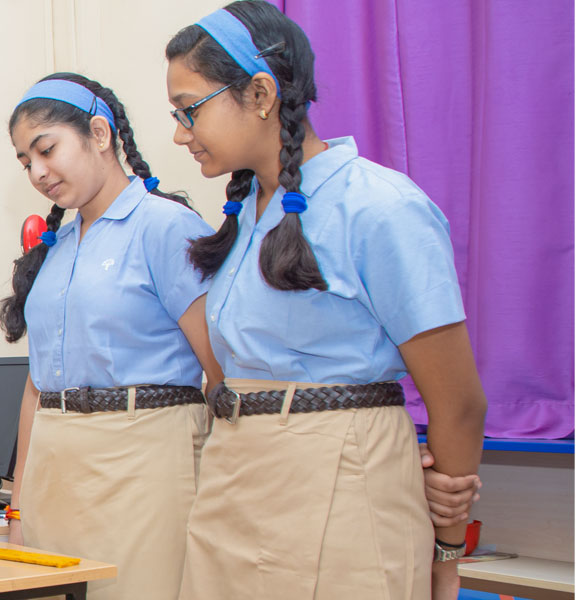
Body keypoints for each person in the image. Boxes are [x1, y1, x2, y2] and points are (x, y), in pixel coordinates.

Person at [163, 3, 486, 597]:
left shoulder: (380, 208)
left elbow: (459, 404)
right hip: (234, 482)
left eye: (190, 111)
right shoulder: (246, 216)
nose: (181, 134)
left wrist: (445, 551)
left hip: (341, 481)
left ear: (261, 94)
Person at [0, 73, 219, 600]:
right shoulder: (57, 248)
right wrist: (18, 506)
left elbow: (222, 368)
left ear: (99, 134)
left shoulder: (167, 227)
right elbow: (37, 387)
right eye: (26, 162)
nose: (37, 172)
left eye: (46, 150)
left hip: (145, 465)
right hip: (55, 467)